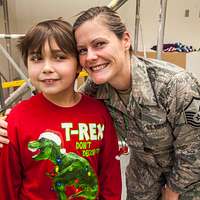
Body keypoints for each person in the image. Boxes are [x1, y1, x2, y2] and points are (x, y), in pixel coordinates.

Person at [1, 5, 200, 200]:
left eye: (99, 44)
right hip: (144, 176)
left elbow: (194, 150)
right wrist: (9, 121)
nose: (91, 57)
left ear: (125, 40)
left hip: (188, 177)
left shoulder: (174, 85)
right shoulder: (95, 88)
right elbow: (64, 108)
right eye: (82, 50)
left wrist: (173, 192)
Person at [0, 19, 121, 200]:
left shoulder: (99, 113)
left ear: (79, 65)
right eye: (36, 58)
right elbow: (6, 187)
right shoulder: (16, 119)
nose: (47, 68)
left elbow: (110, 177)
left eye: (59, 57)